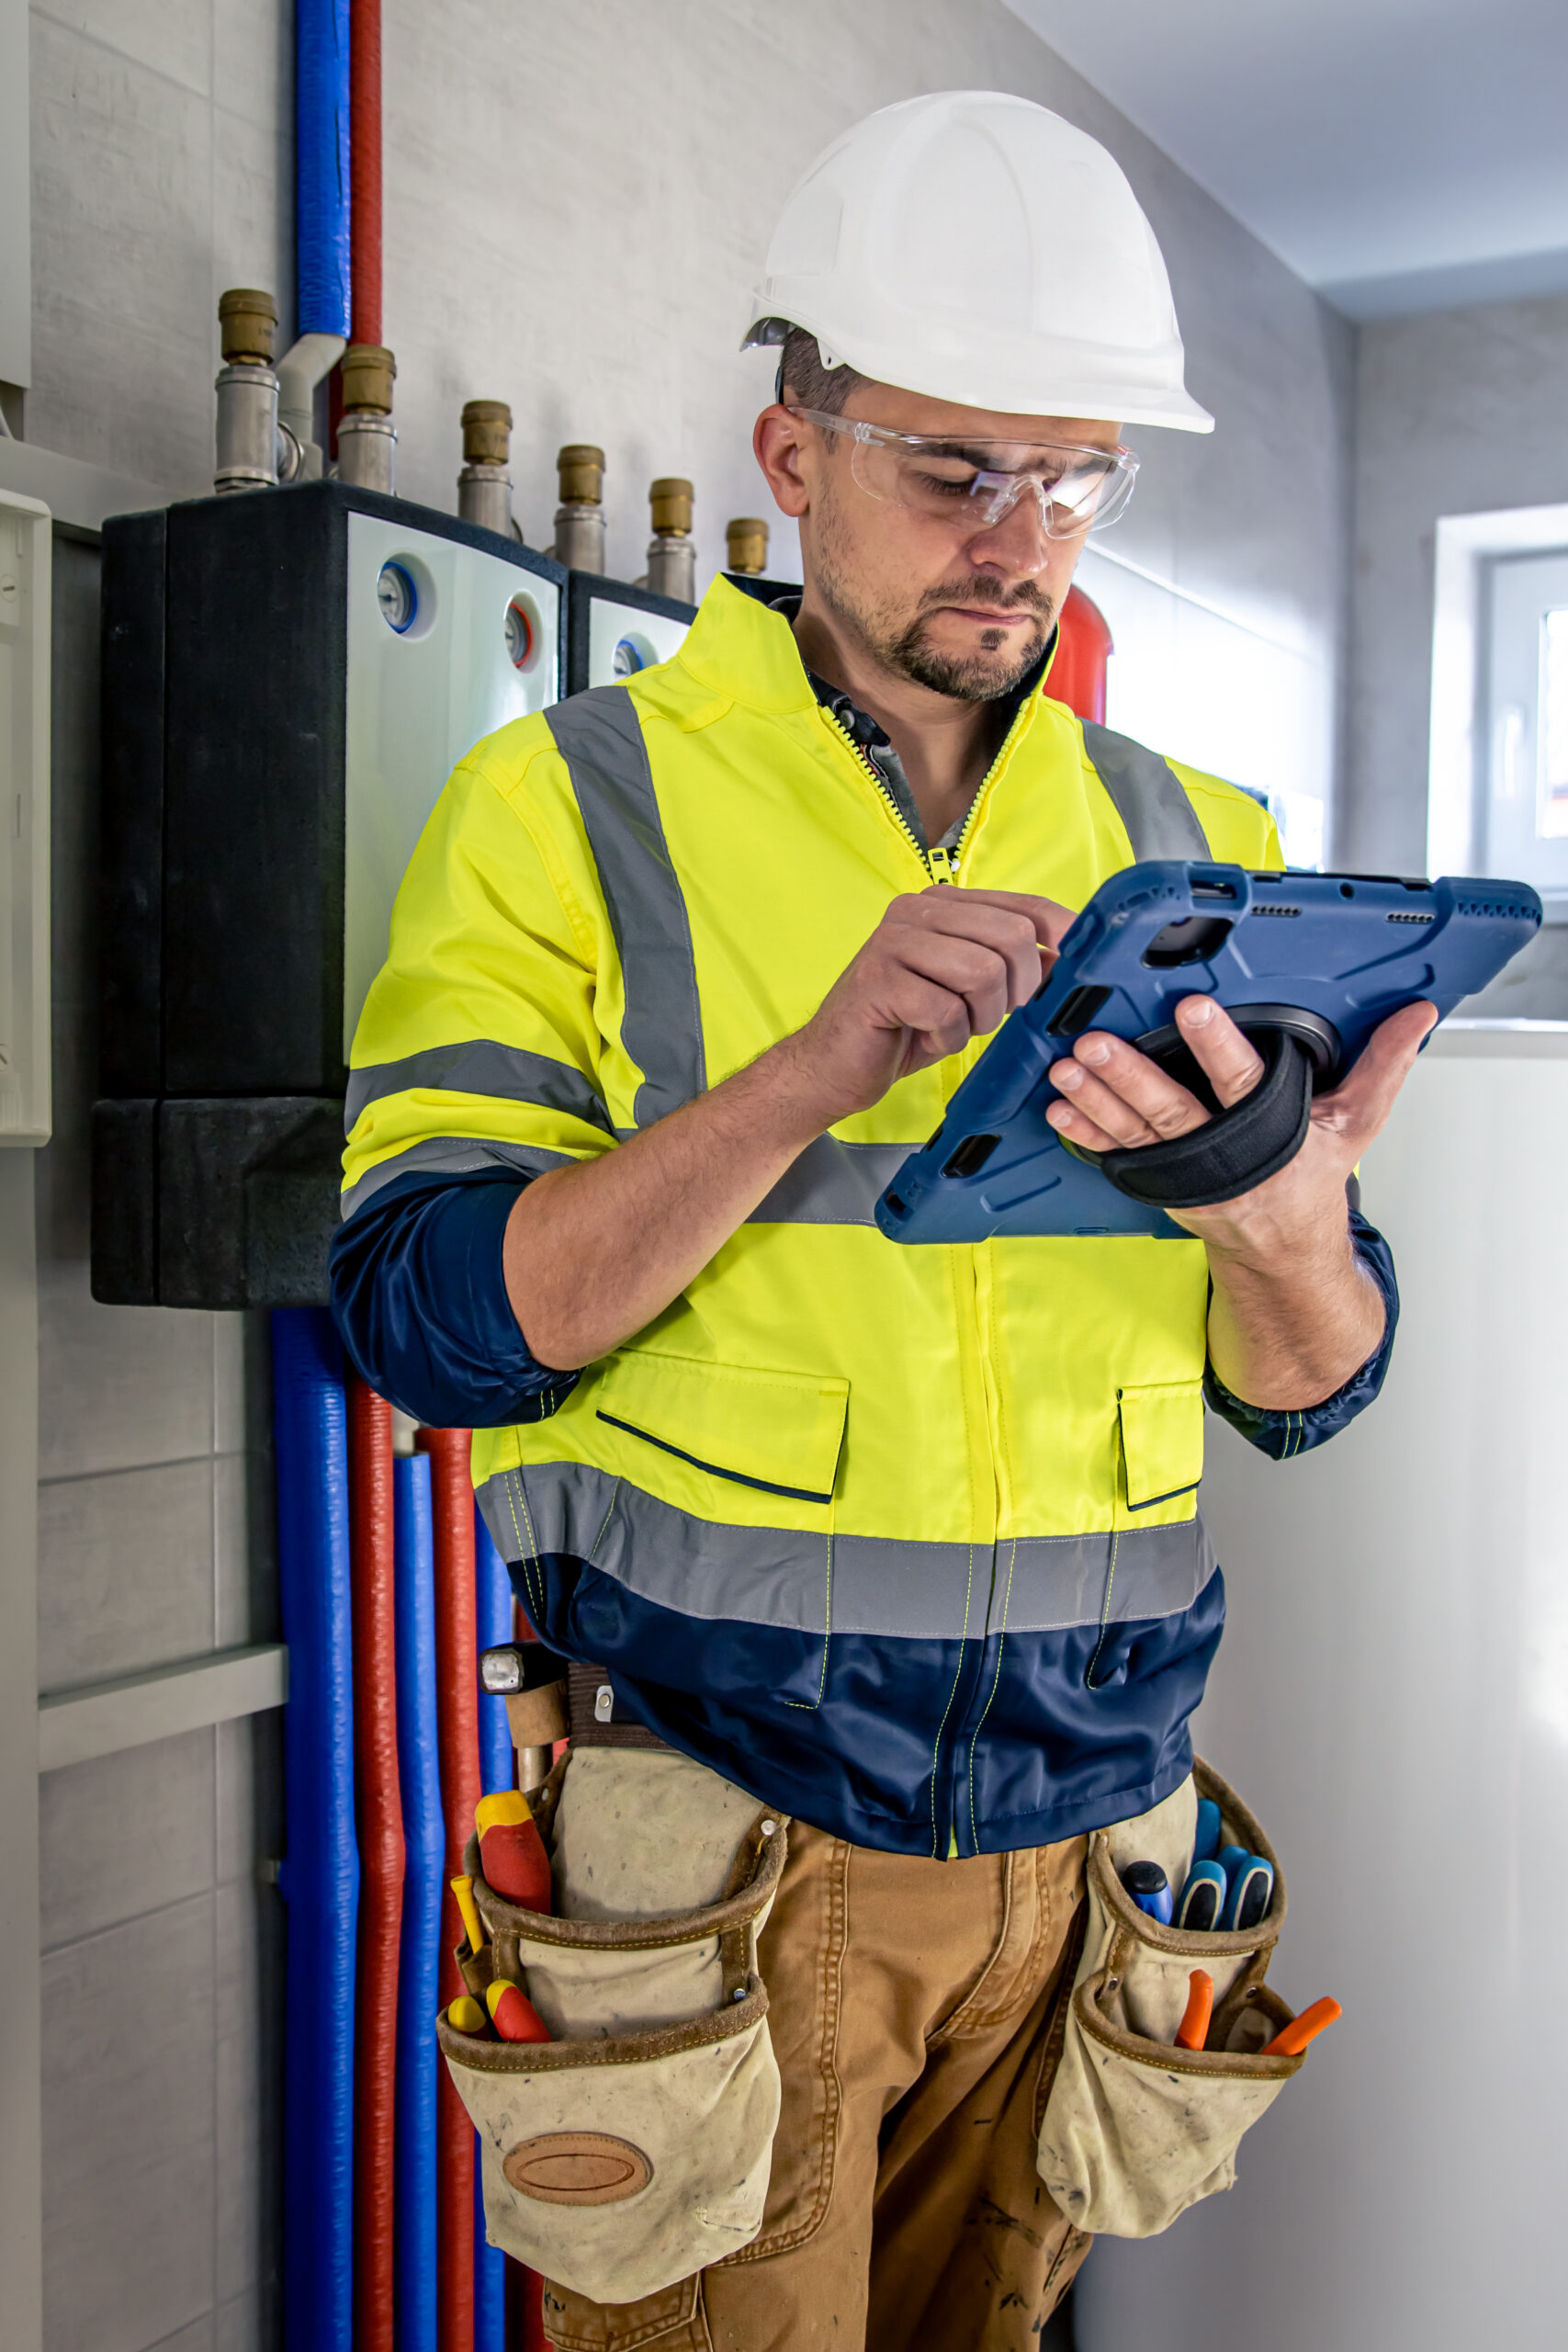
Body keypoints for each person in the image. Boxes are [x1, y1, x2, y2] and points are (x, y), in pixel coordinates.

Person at [333, 91, 1427, 2352]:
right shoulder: (562, 805)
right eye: (951, 470)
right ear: (791, 454)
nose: (1019, 542)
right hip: (717, 1856)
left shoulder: (1196, 838)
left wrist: (1274, 1219)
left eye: (1073, 477)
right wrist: (803, 1071)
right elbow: (427, 1318)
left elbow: (1309, 1385)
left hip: (1091, 1845)